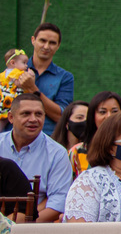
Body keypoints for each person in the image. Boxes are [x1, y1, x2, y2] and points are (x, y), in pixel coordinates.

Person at [0, 94, 72, 222]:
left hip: (34, 228)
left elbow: (57, 203)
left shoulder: (57, 153)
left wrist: (21, 227)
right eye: (26, 114)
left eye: (39, 114)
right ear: (11, 117)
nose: (33, 119)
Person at [17, 23, 73, 135]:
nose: (46, 46)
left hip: (48, 141)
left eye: (52, 43)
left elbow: (61, 116)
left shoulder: (65, 77)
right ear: (33, 40)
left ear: (58, 46)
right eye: (42, 41)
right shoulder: (15, 72)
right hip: (12, 140)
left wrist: (32, 89)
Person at [68, 92, 121, 177]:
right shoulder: (76, 152)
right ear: (92, 117)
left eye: (114, 111)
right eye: (102, 112)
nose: (109, 116)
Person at [0, 49, 31, 126]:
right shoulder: (17, 72)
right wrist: (30, 76)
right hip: (10, 100)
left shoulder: (4, 73)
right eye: (24, 63)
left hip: (6, 100)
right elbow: (19, 84)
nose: (26, 65)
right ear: (13, 63)